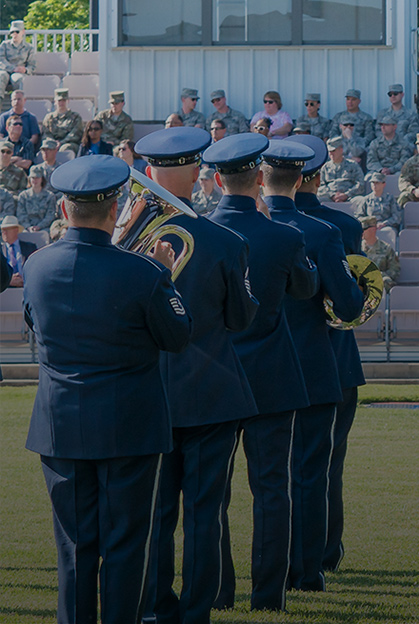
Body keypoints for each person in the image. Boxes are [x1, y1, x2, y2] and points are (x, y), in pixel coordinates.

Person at [25, 154, 192, 624]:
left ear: (63, 211)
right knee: (125, 546)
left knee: (75, 549)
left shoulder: (37, 265)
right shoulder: (143, 273)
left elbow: (35, 324)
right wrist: (165, 275)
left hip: (61, 425)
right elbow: (177, 338)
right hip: (128, 427)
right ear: (117, 207)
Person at [131, 127, 261, 624]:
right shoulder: (227, 241)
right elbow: (241, 319)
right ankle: (196, 612)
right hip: (213, 396)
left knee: (155, 515)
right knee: (206, 515)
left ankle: (154, 608)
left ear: (148, 175)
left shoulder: (126, 245)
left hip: (151, 397)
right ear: (197, 173)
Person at [203, 133, 320, 611]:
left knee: (214, 493)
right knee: (273, 489)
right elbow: (307, 288)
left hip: (217, 375)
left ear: (216, 180)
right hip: (272, 374)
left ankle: (219, 591)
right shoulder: (286, 235)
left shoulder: (201, 232)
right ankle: (268, 596)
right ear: (257, 179)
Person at [264, 137, 365, 594]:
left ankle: (267, 571)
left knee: (266, 475)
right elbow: (349, 305)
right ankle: (317, 557)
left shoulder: (237, 226)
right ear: (314, 177)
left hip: (260, 363)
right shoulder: (338, 226)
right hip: (324, 358)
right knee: (321, 467)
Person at [317, 136, 366, 202]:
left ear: (341, 150)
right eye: (329, 151)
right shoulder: (325, 167)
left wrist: (346, 194)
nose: (331, 154)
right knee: (318, 200)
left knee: (361, 200)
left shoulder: (353, 165)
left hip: (349, 198)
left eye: (333, 151)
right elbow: (320, 186)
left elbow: (360, 184)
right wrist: (332, 195)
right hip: (330, 198)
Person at [360, 215, 399, 289]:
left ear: (373, 229)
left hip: (380, 284)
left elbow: (395, 270)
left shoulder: (386, 248)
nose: (361, 232)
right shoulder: (357, 248)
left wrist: (381, 275)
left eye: (364, 229)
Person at [14, 163, 56, 230]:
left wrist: (39, 226)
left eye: (37, 177)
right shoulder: (23, 196)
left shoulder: (50, 196)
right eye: (33, 177)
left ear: (42, 179)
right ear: (29, 179)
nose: (35, 180)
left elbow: (50, 216)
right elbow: (21, 214)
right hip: (27, 228)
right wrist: (28, 226)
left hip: (44, 228)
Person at [40, 88, 82, 154]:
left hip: (69, 144)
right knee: (46, 148)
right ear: (55, 102)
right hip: (52, 144)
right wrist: (53, 143)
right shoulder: (49, 118)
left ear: (68, 101)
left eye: (64, 100)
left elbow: (74, 134)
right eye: (59, 101)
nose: (61, 103)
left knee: (65, 149)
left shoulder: (75, 117)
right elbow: (46, 134)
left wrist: (61, 143)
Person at [0, 20, 35, 96]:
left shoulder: (29, 48)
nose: (14, 34)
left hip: (19, 72)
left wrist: (25, 70)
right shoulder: (4, 45)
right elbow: (1, 60)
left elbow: (32, 65)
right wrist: (13, 68)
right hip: (6, 70)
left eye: (17, 32)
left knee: (19, 80)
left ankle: (19, 102)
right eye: (12, 32)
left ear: (23, 32)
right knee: (1, 77)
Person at [0, 214, 34, 283]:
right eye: (3, 230)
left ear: (16, 230)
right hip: (7, 289)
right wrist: (10, 280)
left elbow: (35, 269)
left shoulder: (30, 248)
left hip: (26, 285)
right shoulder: (0, 250)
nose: (4, 233)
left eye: (7, 229)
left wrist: (24, 279)